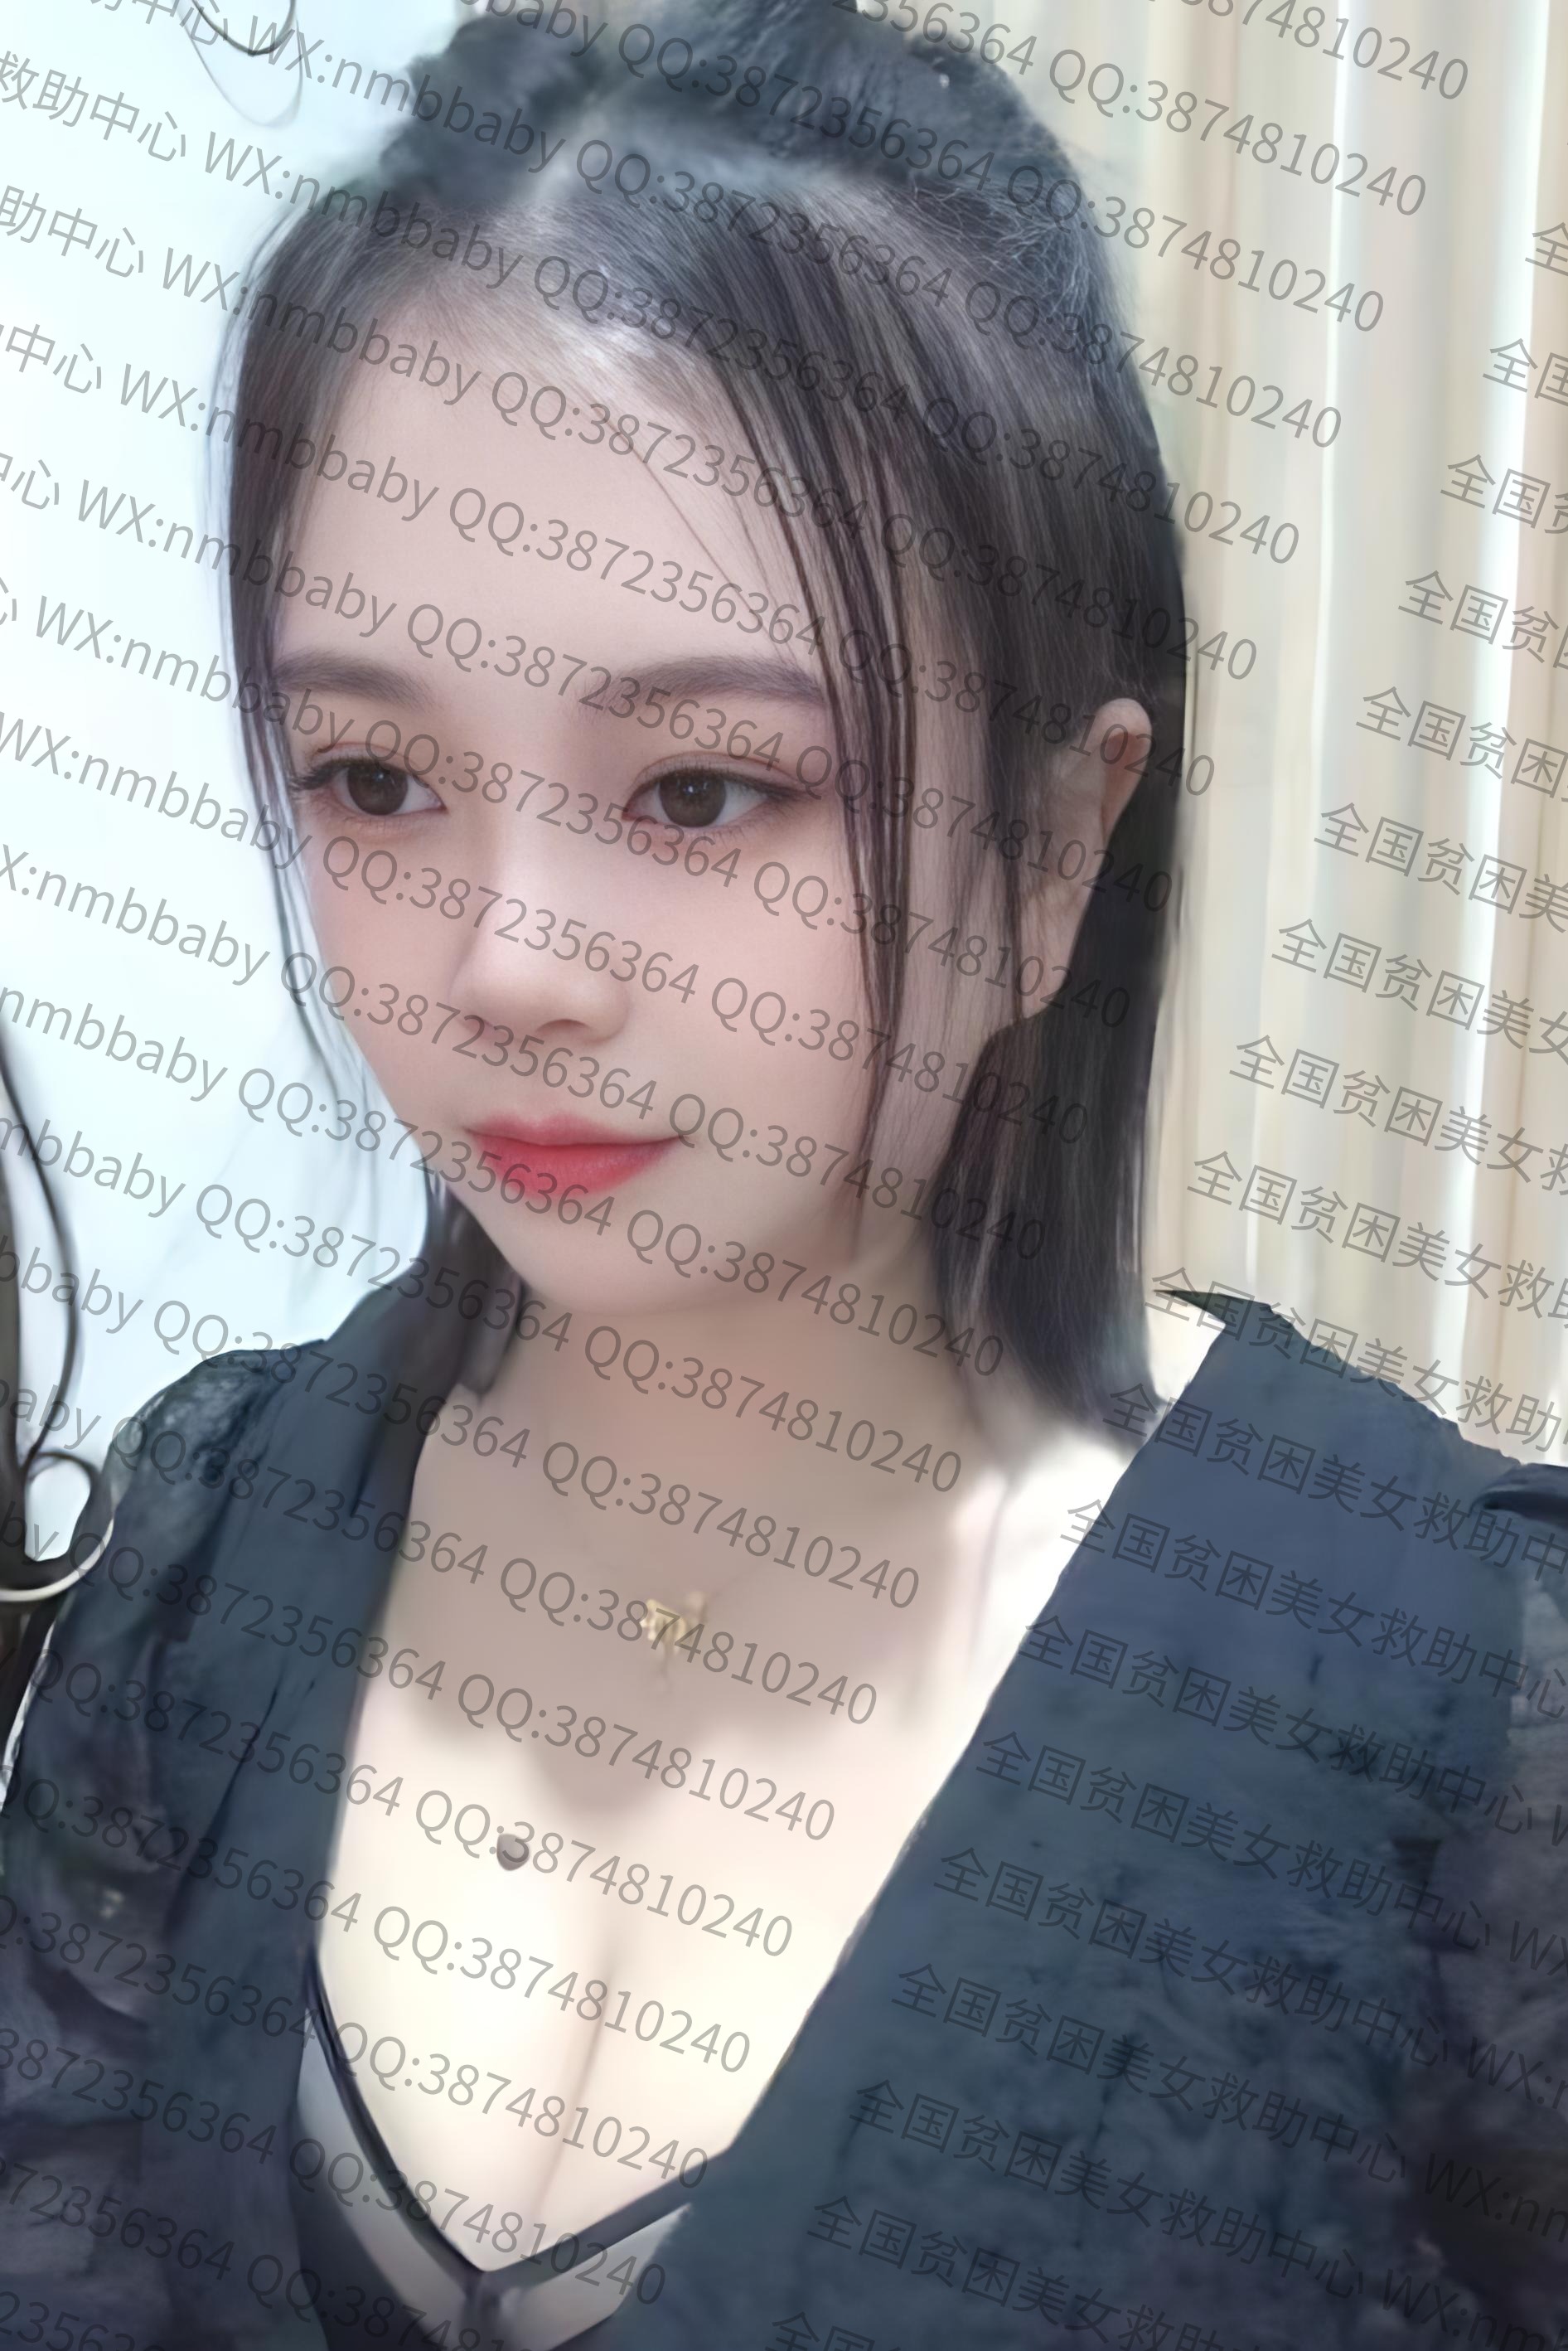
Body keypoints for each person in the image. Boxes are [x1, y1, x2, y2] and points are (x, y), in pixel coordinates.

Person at [1, 5, 1566, 2347]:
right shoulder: (216, 1539)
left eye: (705, 790)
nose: (509, 965)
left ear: (1054, 844)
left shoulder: (1452, 1696)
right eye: (374, 781)